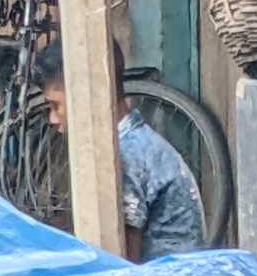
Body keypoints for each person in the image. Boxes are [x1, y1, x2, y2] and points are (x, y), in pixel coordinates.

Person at [35, 38, 203, 262]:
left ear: (87, 94)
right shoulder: (135, 141)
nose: (53, 118)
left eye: (56, 105)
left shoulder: (123, 155)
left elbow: (122, 266)